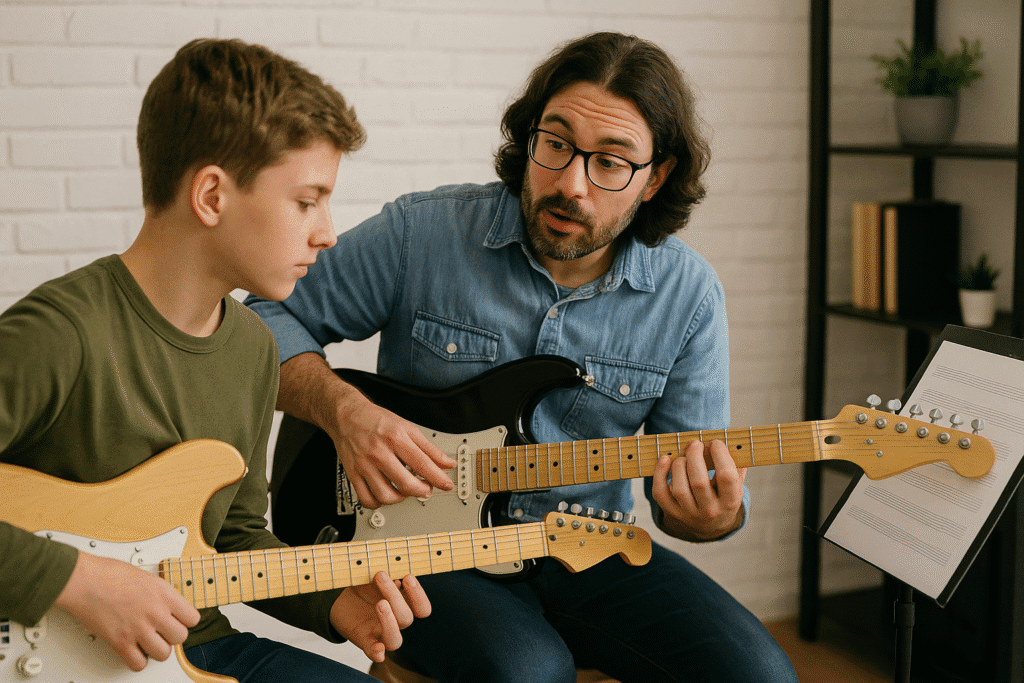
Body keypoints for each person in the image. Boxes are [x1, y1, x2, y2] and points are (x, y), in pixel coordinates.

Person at [248, 32, 797, 683]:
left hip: (591, 546)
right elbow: (260, 316)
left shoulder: (689, 296)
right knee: (529, 671)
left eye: (611, 162)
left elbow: (686, 489)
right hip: (425, 545)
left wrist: (710, 513)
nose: (570, 184)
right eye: (556, 143)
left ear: (659, 177)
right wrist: (346, 413)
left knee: (759, 673)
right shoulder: (424, 234)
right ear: (528, 134)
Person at [0, 38, 432, 683]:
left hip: (196, 649)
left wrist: (331, 601)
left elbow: (231, 539)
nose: (328, 232)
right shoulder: (61, 333)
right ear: (211, 196)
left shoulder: (256, 349)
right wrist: (80, 582)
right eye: (306, 200)